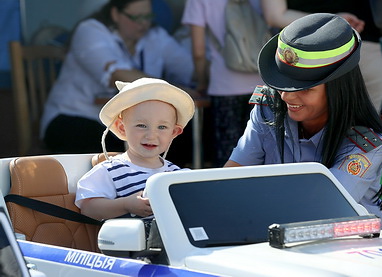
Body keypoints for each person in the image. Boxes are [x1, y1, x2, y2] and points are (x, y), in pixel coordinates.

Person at [224, 13, 382, 230]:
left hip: (352, 252)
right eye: (282, 84)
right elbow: (230, 177)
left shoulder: (367, 146)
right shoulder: (269, 109)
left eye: (304, 89)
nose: (287, 97)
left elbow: (316, 209)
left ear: (338, 89)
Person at [40, 0, 195, 154]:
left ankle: (166, 177)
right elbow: (117, 75)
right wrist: (171, 91)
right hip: (74, 117)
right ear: (115, 14)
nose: (144, 23)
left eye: (148, 16)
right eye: (136, 17)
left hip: (127, 125)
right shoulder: (90, 31)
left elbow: (189, 68)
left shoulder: (155, 36)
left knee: (181, 138)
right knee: (129, 146)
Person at [75, 77, 195, 220]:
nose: (151, 135)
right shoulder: (110, 170)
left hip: (171, 240)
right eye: (141, 125)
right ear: (122, 128)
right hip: (130, 241)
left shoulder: (175, 173)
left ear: (174, 133)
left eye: (162, 127)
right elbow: (89, 209)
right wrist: (125, 205)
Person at [261, 0, 382, 113]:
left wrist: (332, 22)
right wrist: (334, 22)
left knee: (303, 133)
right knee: (365, 130)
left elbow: (275, 15)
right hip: (362, 49)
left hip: (306, 62)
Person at [181, 0, 265, 167]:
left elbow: (199, 52)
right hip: (261, 83)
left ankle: (229, 191)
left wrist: (202, 82)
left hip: (224, 87)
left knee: (229, 152)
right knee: (261, 147)